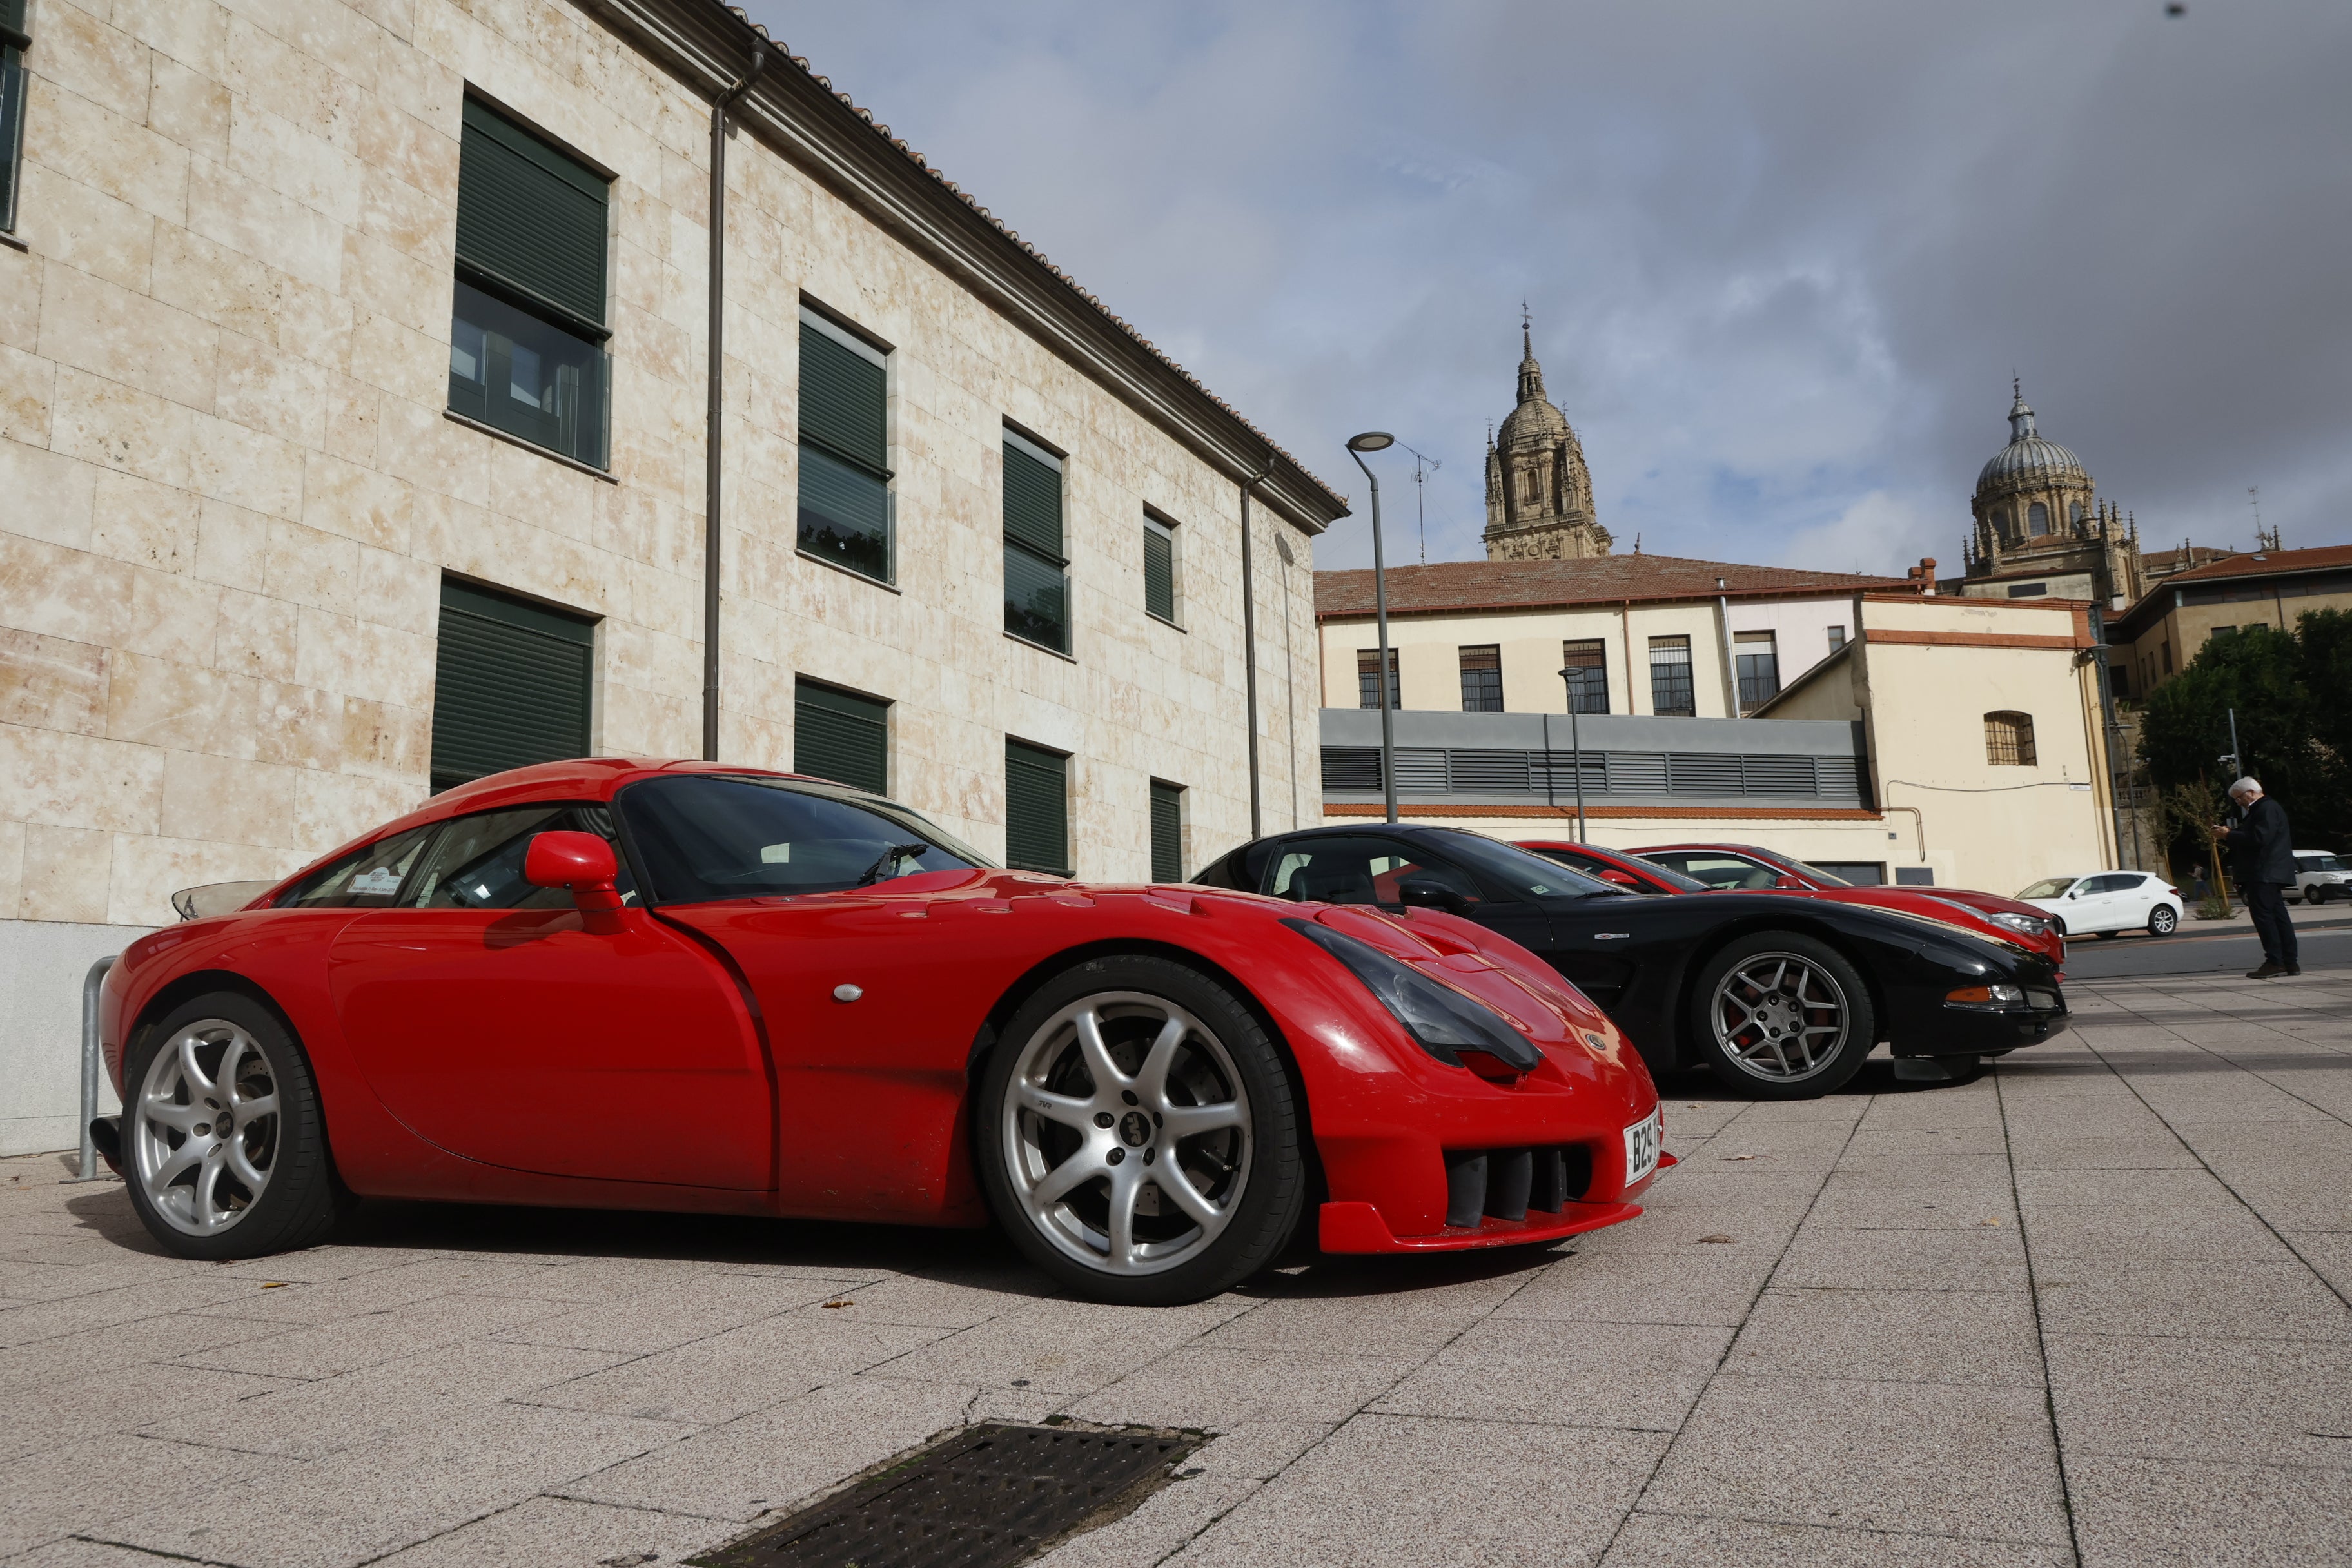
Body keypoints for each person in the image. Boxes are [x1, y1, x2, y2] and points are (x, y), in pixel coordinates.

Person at [2215, 778, 2298, 978]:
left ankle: (2275, 961)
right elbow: (2256, 837)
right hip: (2269, 872)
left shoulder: (2266, 809)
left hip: (2263, 872)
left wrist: (2229, 836)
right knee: (2279, 918)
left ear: (2251, 793)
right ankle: (2289, 962)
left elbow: (2259, 839)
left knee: (2265, 918)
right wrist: (2230, 835)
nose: (2238, 803)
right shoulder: (2266, 809)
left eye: (2239, 798)